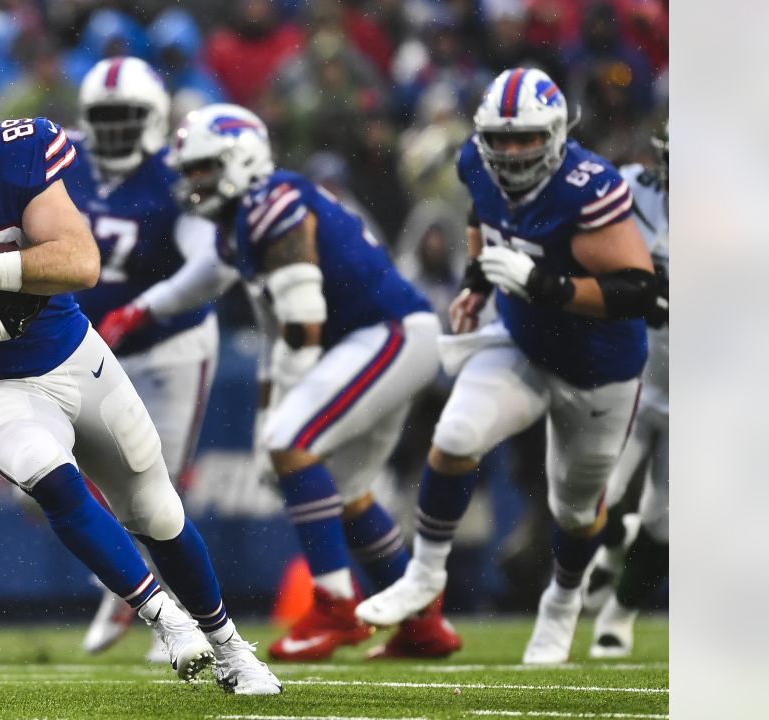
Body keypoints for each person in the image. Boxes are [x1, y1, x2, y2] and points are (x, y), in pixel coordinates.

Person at [0, 52, 280, 694]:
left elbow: (79, 262)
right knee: (55, 484)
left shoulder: (25, 150)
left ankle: (231, 645)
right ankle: (165, 619)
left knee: (158, 513)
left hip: (77, 356)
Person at [354, 68, 661, 664]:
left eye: (526, 139)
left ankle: (562, 604)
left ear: (555, 134)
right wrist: (474, 280)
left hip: (600, 367)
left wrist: (547, 285)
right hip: (522, 341)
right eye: (503, 138)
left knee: (574, 508)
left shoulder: (586, 185)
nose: (513, 150)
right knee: (455, 435)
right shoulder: (475, 159)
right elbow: (481, 218)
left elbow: (639, 291)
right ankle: (424, 576)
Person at [171, 103, 462, 661]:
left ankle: (334, 606)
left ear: (241, 159)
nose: (194, 182)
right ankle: (421, 623)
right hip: (374, 340)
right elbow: (276, 337)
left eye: (204, 168)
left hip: (386, 333)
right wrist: (268, 425)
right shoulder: (240, 223)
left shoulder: (269, 200)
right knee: (349, 491)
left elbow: (302, 325)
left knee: (294, 444)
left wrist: (279, 435)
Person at [63, 56, 237, 661]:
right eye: (104, 119)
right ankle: (129, 590)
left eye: (127, 118)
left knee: (154, 491)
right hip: (87, 345)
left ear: (157, 119)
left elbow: (211, 265)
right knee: (49, 479)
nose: (114, 132)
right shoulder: (61, 162)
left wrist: (144, 309)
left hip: (171, 348)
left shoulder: (174, 174)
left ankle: (179, 612)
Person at [584, 121, 669, 658]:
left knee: (667, 522)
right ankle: (612, 545)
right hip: (637, 375)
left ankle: (619, 614)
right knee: (600, 492)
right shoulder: (633, 187)